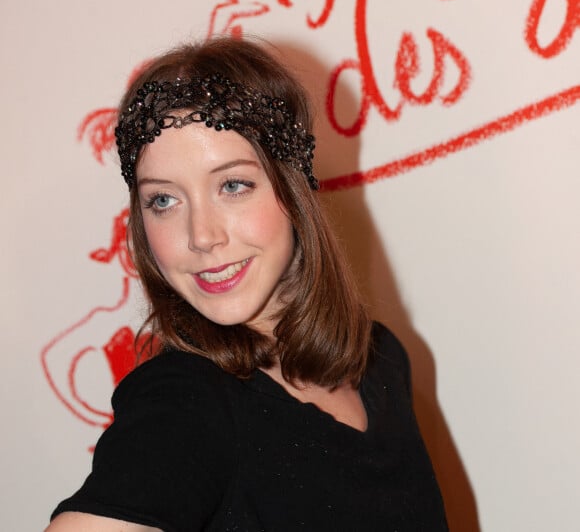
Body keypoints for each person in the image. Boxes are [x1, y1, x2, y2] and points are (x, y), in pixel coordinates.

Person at [46, 36, 448, 531]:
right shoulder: (186, 404)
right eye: (164, 200)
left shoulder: (381, 360)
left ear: (293, 191)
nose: (202, 237)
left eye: (232, 186)